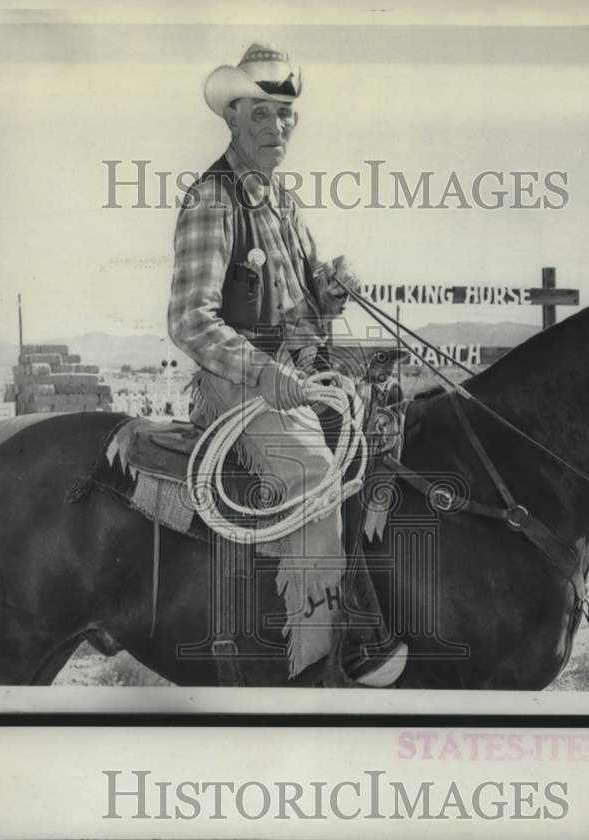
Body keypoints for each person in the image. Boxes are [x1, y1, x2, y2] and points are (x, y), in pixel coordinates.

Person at [167, 44, 407, 685]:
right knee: (314, 473)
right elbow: (190, 320)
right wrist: (269, 374)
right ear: (233, 118)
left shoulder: (287, 206)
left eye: (286, 116)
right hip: (237, 384)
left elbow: (301, 317)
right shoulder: (211, 201)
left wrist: (325, 298)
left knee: (381, 435)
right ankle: (315, 669)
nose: (278, 129)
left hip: (295, 378)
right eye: (262, 116)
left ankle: (365, 608)